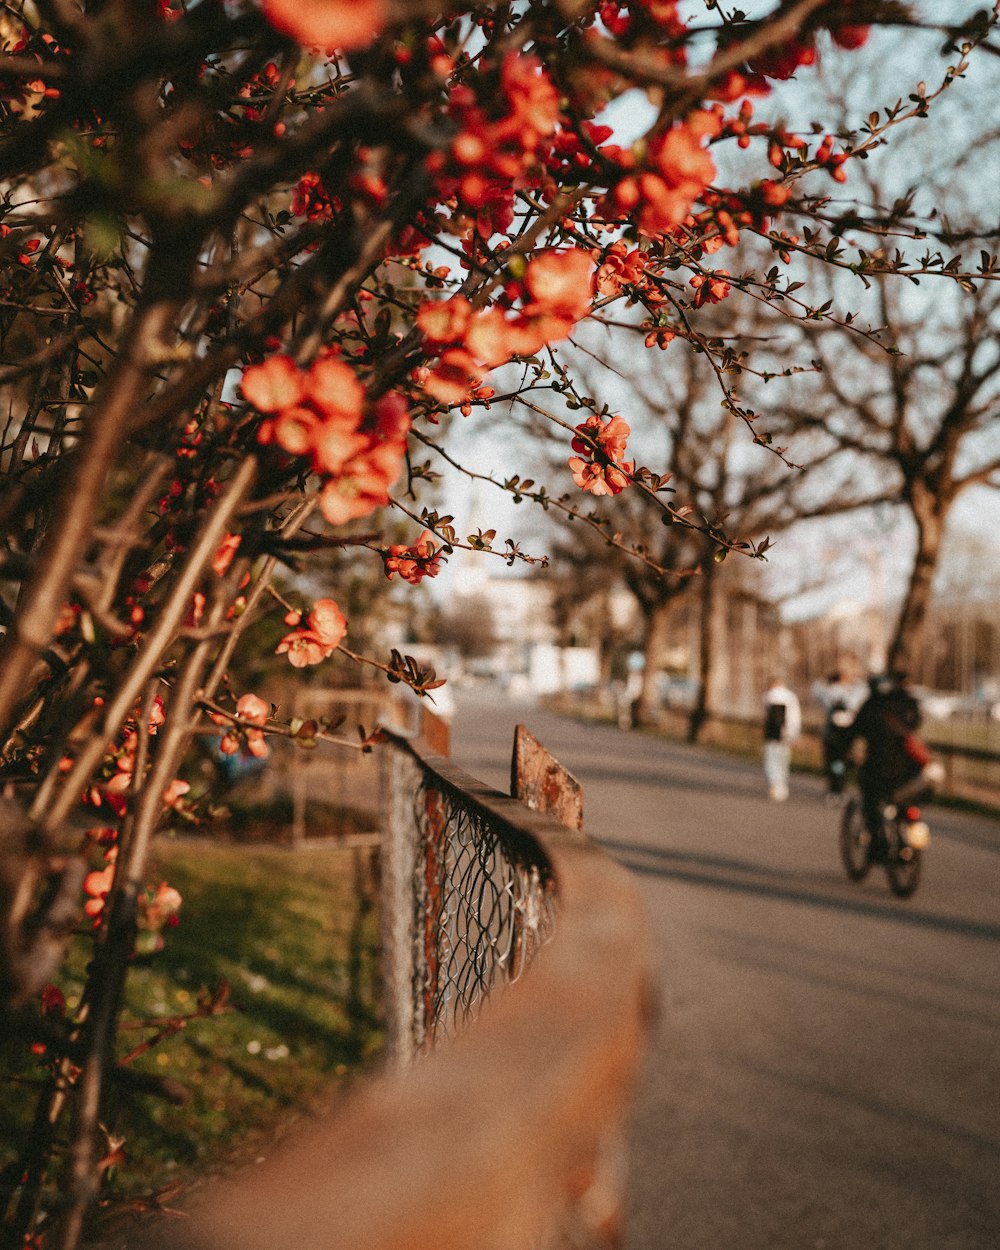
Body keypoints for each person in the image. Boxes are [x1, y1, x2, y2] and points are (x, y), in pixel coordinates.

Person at [850, 671, 930, 856]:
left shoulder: (871, 706)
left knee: (872, 799)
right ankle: (909, 837)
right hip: (908, 768)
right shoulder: (907, 703)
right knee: (906, 802)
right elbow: (915, 724)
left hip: (880, 766)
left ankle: (878, 846)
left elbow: (854, 731)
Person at [762, 677, 801, 802]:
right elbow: (795, 717)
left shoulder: (769, 696)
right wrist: (793, 734)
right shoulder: (791, 697)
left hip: (772, 734)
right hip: (786, 734)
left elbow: (766, 716)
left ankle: (776, 784)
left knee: (771, 760)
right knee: (783, 760)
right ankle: (782, 786)